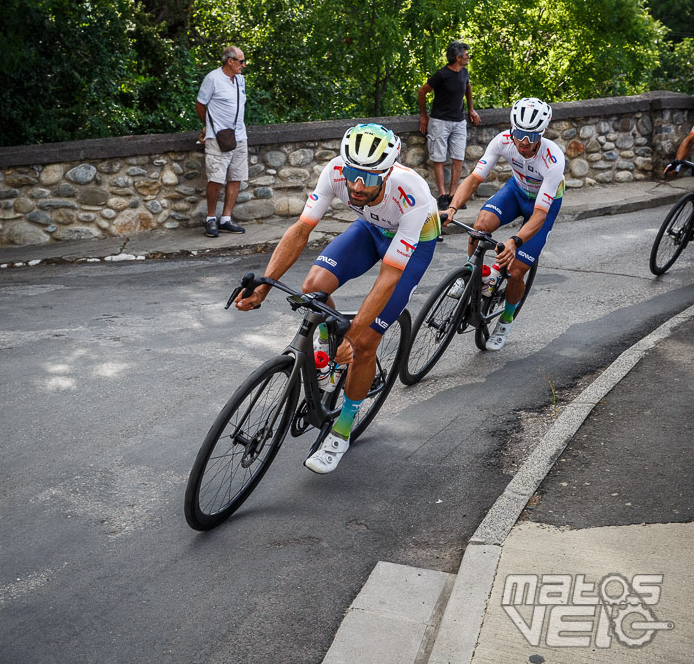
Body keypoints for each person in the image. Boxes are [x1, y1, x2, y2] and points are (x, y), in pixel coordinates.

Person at [235, 123, 441, 474]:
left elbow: (390, 273)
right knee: (312, 287)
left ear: (388, 172)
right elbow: (301, 229)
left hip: (413, 243)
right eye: (352, 174)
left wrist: (357, 331)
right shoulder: (334, 172)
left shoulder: (413, 193)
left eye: (369, 178)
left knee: (364, 343)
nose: (358, 186)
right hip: (371, 229)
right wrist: (266, 284)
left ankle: (342, 429)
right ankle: (330, 350)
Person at [445, 97, 565, 351]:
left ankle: (506, 320)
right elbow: (475, 178)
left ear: (542, 134)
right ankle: (473, 276)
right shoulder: (502, 141)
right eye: (519, 133)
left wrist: (514, 241)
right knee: (480, 227)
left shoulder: (553, 159)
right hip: (517, 191)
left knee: (516, 271)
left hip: (543, 204)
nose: (524, 141)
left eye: (532, 136)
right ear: (512, 128)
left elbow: (541, 214)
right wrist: (452, 208)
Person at [418, 40, 481, 210]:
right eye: (466, 53)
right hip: (439, 121)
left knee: (458, 158)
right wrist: (424, 116)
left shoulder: (464, 72)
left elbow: (468, 88)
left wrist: (471, 110)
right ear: (456, 56)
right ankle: (442, 195)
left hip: (459, 122)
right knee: (438, 158)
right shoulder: (441, 75)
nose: (468, 56)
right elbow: (422, 91)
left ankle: (454, 195)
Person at [195, 45, 248, 236]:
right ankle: (210, 218)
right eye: (241, 61)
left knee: (236, 177)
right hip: (218, 137)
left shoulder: (240, 80)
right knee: (216, 178)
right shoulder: (213, 78)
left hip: (240, 136)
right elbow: (200, 105)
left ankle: (226, 218)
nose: (243, 65)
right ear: (230, 61)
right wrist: (210, 127)